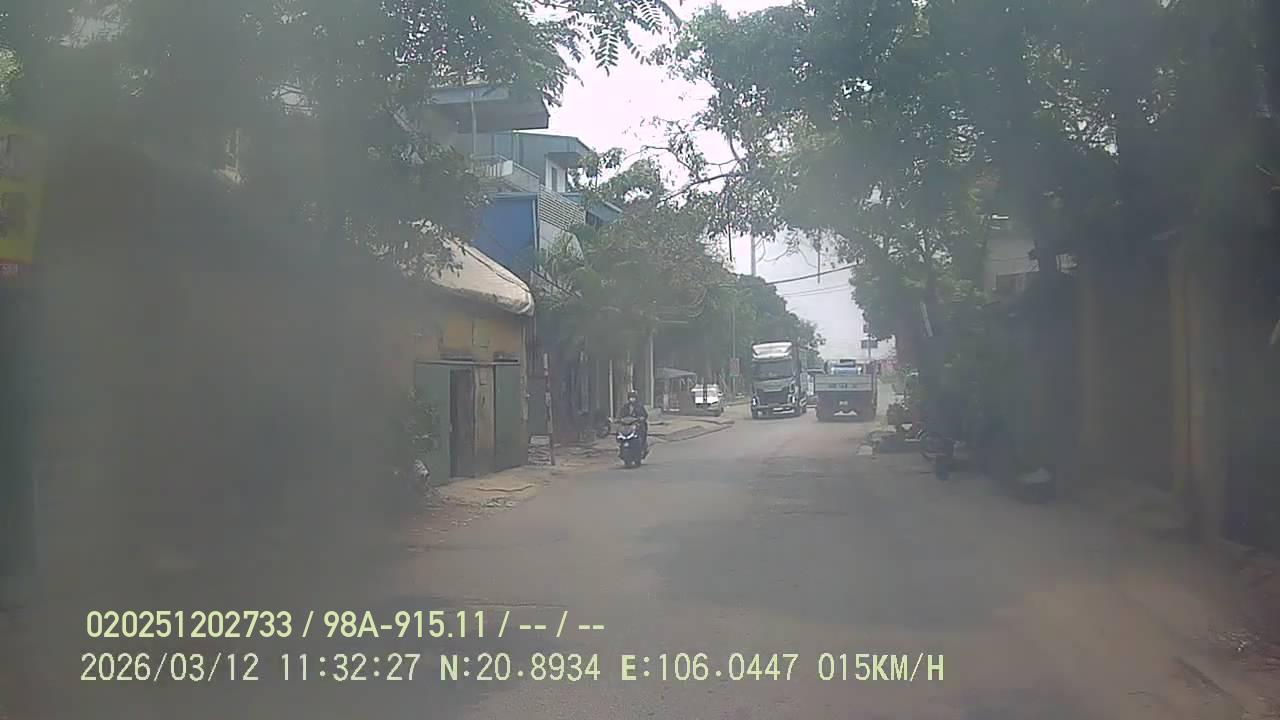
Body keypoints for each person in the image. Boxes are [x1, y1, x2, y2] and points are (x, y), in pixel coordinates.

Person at [620, 389, 649, 455]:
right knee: (620, 432)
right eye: (630, 397)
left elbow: (645, 415)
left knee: (642, 431)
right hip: (627, 425)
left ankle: (642, 446)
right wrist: (620, 419)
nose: (632, 399)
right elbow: (621, 414)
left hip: (637, 424)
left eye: (633, 397)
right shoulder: (625, 406)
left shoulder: (639, 406)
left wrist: (641, 418)